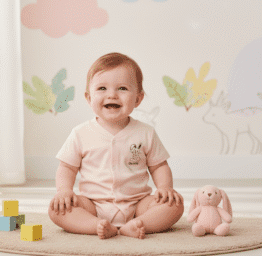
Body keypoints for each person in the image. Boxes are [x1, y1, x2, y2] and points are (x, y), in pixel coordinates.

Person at [48, 52, 184, 239]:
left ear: (138, 99)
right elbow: (67, 167)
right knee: (57, 209)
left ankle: (139, 224)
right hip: (92, 204)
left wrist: (165, 188)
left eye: (122, 88)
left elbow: (159, 166)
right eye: (102, 88)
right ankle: (96, 225)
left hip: (138, 204)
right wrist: (64, 191)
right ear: (89, 98)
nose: (112, 94)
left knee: (174, 205)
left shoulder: (146, 132)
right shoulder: (80, 133)